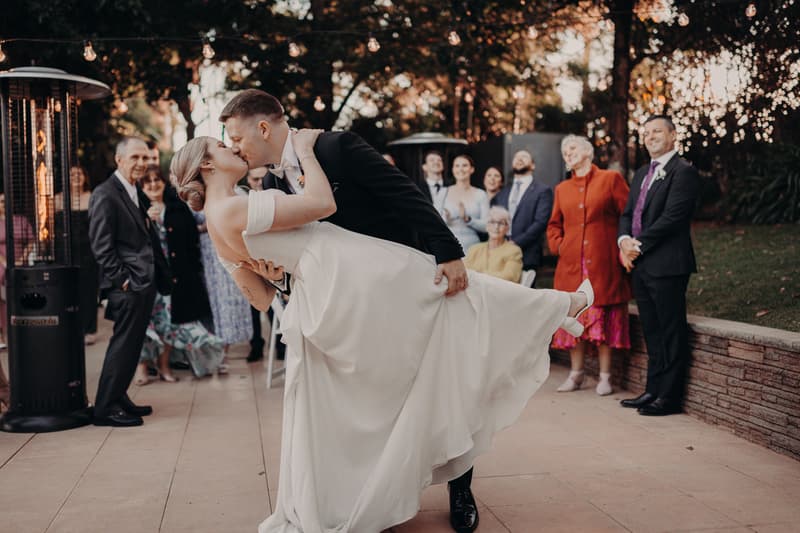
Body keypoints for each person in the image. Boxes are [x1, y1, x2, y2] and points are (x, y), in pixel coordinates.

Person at [170, 132, 593, 533]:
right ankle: (560, 306)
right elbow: (320, 202)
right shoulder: (235, 207)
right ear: (207, 163)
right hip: (352, 271)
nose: (233, 148)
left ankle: (558, 309)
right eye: (222, 145)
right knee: (459, 302)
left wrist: (274, 274)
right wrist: (307, 149)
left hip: (334, 282)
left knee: (451, 314)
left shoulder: (221, 216)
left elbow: (261, 297)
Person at [220, 89, 473, 531]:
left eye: (235, 137)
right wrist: (276, 278)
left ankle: (461, 485)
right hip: (352, 310)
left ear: (263, 128)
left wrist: (447, 251)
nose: (235, 148)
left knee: (438, 382)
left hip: (402, 286)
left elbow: (405, 195)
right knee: (384, 397)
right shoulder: (276, 185)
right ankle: (388, 488)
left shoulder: (336, 147)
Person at [618, 115, 700, 416]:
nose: (650, 136)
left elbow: (673, 217)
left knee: (670, 330)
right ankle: (653, 389)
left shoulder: (684, 172)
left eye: (657, 131)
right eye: (646, 132)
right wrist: (623, 239)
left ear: (673, 135)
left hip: (668, 264)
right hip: (641, 266)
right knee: (652, 330)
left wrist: (636, 245)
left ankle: (669, 397)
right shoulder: (641, 173)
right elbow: (627, 213)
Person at [88, 136, 170, 427]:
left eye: (145, 158)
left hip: (143, 283)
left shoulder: (134, 191)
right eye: (135, 158)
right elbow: (101, 245)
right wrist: (123, 281)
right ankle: (105, 409)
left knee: (133, 345)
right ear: (119, 159)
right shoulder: (105, 194)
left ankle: (118, 397)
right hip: (128, 285)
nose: (141, 163)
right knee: (123, 345)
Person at [547, 135, 632, 395]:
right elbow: (554, 226)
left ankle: (605, 377)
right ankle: (576, 374)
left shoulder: (611, 179)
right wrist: (560, 246)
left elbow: (627, 216)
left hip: (603, 263)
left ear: (587, 152)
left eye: (572, 148)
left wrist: (623, 246)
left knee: (601, 318)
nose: (567, 154)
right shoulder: (562, 189)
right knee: (574, 319)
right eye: (564, 151)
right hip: (571, 265)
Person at [134, 166, 223, 384]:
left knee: (170, 324)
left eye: (157, 180)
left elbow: (191, 242)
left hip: (175, 278)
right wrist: (147, 221)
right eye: (148, 182)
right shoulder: (136, 209)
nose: (153, 185)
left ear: (164, 183)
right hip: (149, 278)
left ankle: (164, 367)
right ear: (141, 187)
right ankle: (142, 369)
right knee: (146, 325)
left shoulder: (177, 208)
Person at [490, 150, 553, 278]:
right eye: (516, 157)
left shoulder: (543, 190)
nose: (519, 159)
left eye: (524, 157)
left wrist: (516, 242)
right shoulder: (503, 192)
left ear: (533, 165)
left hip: (528, 254)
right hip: (500, 252)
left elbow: (540, 222)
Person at [56, 166, 100, 345]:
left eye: (79, 173)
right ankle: (68, 328)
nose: (75, 177)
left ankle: (89, 330)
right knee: (66, 290)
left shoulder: (92, 197)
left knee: (88, 291)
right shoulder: (57, 199)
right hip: (63, 252)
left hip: (88, 251)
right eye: (71, 174)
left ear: (85, 177)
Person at [0, 193, 34, 410]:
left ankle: (6, 390)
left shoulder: (21, 220)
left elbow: (32, 240)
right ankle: (5, 390)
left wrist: (19, 261)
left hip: (20, 269)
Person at [442, 155, 490, 252]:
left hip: (473, 248)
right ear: (453, 169)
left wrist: (467, 219)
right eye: (457, 166)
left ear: (472, 169)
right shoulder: (442, 193)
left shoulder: (481, 194)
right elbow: (434, 223)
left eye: (464, 165)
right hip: (447, 245)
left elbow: (487, 226)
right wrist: (445, 218)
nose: (461, 169)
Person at [464, 206, 522, 283]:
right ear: (487, 226)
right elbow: (464, 272)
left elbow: (510, 276)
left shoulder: (514, 251)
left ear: (507, 228)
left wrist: (479, 275)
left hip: (499, 292)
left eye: (501, 223)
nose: (496, 227)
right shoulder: (474, 249)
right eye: (492, 222)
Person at [419, 150, 448, 215]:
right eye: (432, 160)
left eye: (439, 160)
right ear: (424, 167)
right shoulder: (418, 189)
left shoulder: (451, 186)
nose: (436, 162)